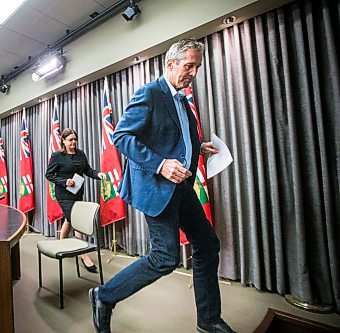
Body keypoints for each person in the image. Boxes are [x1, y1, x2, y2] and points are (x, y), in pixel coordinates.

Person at [89, 39, 236, 333]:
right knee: (165, 257)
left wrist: (198, 148)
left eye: (197, 67)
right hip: (158, 189)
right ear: (171, 64)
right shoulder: (150, 93)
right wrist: (159, 164)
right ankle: (103, 297)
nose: (193, 72)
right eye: (188, 65)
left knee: (207, 245)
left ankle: (208, 319)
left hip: (182, 188)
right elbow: (122, 136)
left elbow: (174, 138)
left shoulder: (181, 100)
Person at [45, 128, 105, 273]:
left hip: (77, 192)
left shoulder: (80, 154)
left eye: (74, 139)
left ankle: (60, 245)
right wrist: (65, 181)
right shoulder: (57, 156)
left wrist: (99, 174)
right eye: (70, 140)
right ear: (63, 141)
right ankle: (84, 256)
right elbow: (49, 175)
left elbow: (88, 170)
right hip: (64, 194)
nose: (73, 142)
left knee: (69, 219)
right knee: (76, 221)